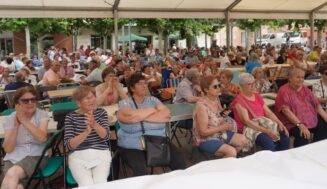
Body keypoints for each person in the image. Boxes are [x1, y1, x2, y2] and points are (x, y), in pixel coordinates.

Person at [116, 73, 186, 176]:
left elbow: (166, 115)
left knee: (180, 161)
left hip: (157, 141)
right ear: (132, 88)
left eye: (145, 83)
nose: (144, 86)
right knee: (140, 167)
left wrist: (140, 117)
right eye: (140, 84)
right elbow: (130, 116)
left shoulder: (153, 100)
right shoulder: (125, 103)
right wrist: (152, 111)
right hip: (133, 144)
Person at [1, 86, 49, 189]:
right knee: (17, 186)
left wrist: (24, 121)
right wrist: (15, 127)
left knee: (12, 173)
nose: (30, 103)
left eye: (33, 99)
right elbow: (8, 149)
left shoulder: (42, 115)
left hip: (35, 155)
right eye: (25, 100)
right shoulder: (10, 119)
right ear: (17, 104)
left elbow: (41, 139)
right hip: (13, 157)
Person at [64, 86, 111, 186]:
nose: (92, 100)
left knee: (100, 183)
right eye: (87, 98)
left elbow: (106, 137)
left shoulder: (101, 113)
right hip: (78, 156)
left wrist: (94, 124)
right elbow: (68, 145)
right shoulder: (70, 117)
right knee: (86, 184)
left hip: (100, 153)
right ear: (78, 103)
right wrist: (85, 133)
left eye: (93, 96)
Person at [231, 73, 289, 151]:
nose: (253, 86)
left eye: (253, 83)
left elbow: (269, 113)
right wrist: (267, 131)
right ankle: (272, 161)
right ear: (242, 86)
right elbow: (247, 122)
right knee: (269, 143)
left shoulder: (257, 95)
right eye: (249, 84)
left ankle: (281, 159)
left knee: (284, 137)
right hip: (251, 128)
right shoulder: (238, 101)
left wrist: (279, 123)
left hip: (263, 124)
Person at [193, 76, 247, 158]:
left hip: (219, 134)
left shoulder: (216, 99)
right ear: (206, 89)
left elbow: (217, 117)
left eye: (219, 85)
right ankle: (225, 161)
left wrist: (223, 115)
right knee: (231, 152)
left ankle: (224, 161)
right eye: (215, 86)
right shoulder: (201, 106)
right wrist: (222, 127)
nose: (218, 88)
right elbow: (202, 133)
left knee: (243, 140)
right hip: (205, 139)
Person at [275, 68, 327, 147]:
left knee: (323, 126)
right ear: (290, 78)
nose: (301, 79)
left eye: (302, 77)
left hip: (310, 119)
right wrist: (300, 125)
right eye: (298, 77)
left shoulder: (305, 89)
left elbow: (317, 105)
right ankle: (301, 156)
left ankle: (317, 149)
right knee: (302, 135)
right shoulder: (283, 91)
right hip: (292, 123)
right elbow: (286, 111)